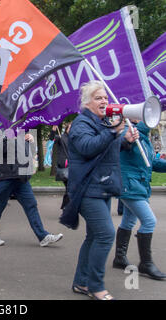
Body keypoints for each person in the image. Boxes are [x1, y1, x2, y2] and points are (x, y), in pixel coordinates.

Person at [68, 80, 138, 300]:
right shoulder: (81, 124)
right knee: (106, 234)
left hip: (102, 186)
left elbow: (107, 149)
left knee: (93, 237)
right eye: (99, 98)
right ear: (87, 103)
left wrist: (126, 139)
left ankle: (81, 282)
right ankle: (95, 286)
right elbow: (88, 148)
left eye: (106, 98)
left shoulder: (102, 122)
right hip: (87, 189)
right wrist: (113, 132)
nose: (105, 101)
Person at [0, 129, 63, 247]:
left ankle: (43, 236)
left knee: (31, 206)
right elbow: (0, 152)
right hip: (7, 176)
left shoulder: (24, 132)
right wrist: (17, 139)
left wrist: (30, 142)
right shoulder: (1, 133)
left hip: (22, 177)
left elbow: (28, 153)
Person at [113, 120, 166, 280]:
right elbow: (118, 150)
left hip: (136, 185)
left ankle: (119, 258)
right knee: (149, 221)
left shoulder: (142, 136)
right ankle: (146, 263)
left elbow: (150, 162)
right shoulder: (130, 134)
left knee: (128, 221)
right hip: (130, 186)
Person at [49, 123, 71, 209]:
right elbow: (51, 138)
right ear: (66, 129)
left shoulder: (75, 138)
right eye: (70, 128)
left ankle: (66, 206)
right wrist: (54, 129)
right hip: (64, 166)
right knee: (70, 187)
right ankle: (66, 206)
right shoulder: (61, 137)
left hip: (74, 166)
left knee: (70, 188)